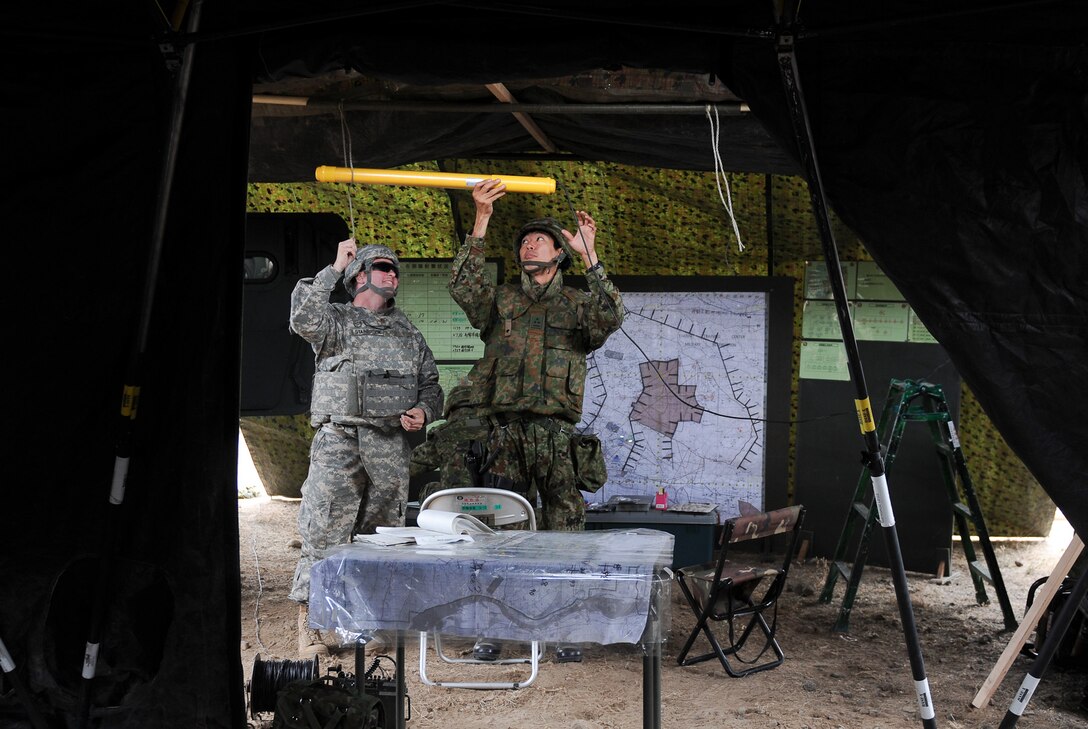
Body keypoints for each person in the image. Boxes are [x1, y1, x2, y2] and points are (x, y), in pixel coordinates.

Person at [415, 178, 624, 662]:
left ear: (559, 255)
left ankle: (565, 633)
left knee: (563, 536)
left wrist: (591, 255)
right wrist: (481, 220)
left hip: (556, 439)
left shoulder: (577, 305)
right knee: (501, 537)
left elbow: (613, 315)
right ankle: (495, 631)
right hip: (504, 435)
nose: (529, 243)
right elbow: (463, 286)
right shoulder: (503, 302)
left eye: (540, 239)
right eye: (524, 241)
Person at [289, 239, 443, 658]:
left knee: (381, 539)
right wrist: (333, 266)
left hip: (390, 446)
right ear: (359, 275)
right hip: (339, 440)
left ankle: (373, 624)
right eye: (382, 267)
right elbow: (302, 317)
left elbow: (432, 386)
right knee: (323, 531)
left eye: (395, 270)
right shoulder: (334, 321)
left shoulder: (409, 332)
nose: (392, 274)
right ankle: (312, 627)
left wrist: (423, 412)